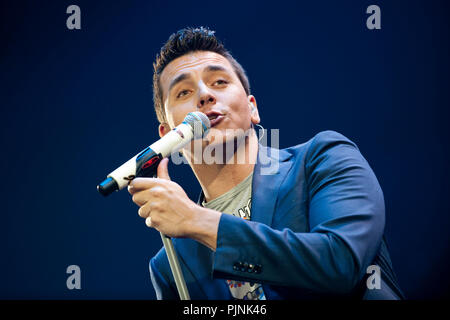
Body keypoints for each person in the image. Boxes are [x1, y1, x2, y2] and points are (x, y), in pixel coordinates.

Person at [127, 26, 404, 300]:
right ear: (167, 134)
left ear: (252, 108)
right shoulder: (171, 264)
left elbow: (341, 264)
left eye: (219, 82)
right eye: (183, 93)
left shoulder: (323, 158)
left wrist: (196, 220)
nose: (204, 95)